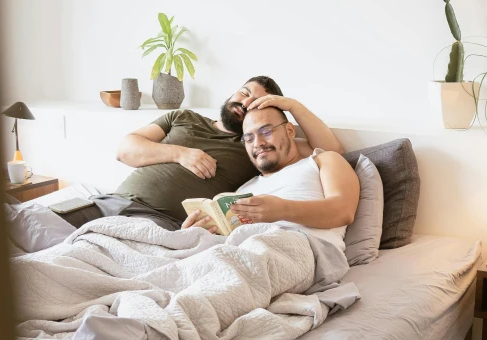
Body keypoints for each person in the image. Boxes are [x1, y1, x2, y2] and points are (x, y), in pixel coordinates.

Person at [56, 76, 344, 230]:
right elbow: (125, 150)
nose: (245, 102)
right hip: (110, 202)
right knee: (30, 225)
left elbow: (330, 151)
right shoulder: (183, 117)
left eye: (256, 102)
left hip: (155, 221)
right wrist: (180, 154)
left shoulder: (257, 147)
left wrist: (291, 106)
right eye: (244, 92)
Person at [182, 105, 359, 250]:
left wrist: (282, 210)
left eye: (266, 132)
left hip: (301, 249)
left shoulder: (322, 160)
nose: (257, 143)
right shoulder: (243, 191)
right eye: (249, 138)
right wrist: (194, 236)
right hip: (237, 251)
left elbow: (343, 210)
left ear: (290, 130)